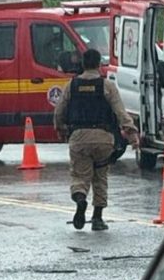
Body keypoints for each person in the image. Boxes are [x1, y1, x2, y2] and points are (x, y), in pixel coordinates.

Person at [53, 49, 139, 231]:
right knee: (100, 177)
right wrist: (132, 136)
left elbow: (59, 111)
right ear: (99, 64)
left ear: (83, 64)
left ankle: (80, 199)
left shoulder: (72, 85)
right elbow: (120, 113)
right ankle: (98, 218)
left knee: (79, 176)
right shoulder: (107, 86)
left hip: (79, 137)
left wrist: (60, 128)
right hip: (103, 138)